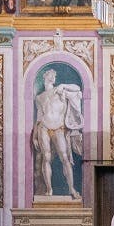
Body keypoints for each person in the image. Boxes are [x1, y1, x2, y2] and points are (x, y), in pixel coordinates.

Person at [32, 67, 83, 198]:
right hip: (43, 127)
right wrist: (34, 137)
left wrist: (64, 85)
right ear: (45, 77)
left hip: (59, 127)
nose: (53, 76)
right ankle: (49, 190)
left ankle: (72, 189)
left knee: (65, 158)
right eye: (51, 74)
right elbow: (38, 118)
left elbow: (77, 88)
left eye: (54, 75)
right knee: (46, 158)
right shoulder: (39, 97)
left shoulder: (60, 90)